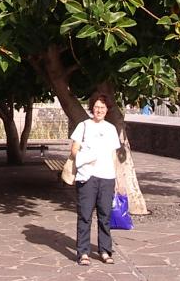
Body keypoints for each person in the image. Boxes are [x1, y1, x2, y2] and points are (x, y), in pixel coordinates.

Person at [70, 94, 124, 266]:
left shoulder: (111, 129)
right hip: (87, 177)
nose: (99, 110)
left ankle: (105, 251)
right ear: (92, 108)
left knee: (105, 216)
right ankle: (83, 252)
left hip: (107, 178)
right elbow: (74, 150)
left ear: (107, 109)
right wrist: (87, 157)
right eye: (96, 107)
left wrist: (118, 181)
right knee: (85, 215)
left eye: (103, 107)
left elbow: (114, 156)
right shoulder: (83, 126)